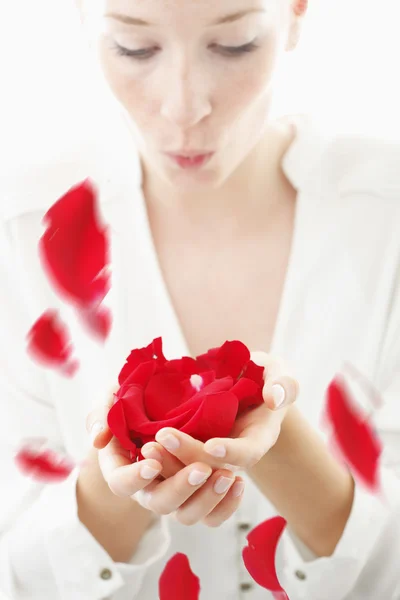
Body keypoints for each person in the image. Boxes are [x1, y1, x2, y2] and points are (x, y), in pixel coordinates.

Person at [1, 0, 400, 598]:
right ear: (85, 20)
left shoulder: (384, 218)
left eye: (234, 44)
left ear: (295, 14)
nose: (184, 107)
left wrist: (285, 448)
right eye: (135, 49)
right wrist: (121, 482)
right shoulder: (20, 230)